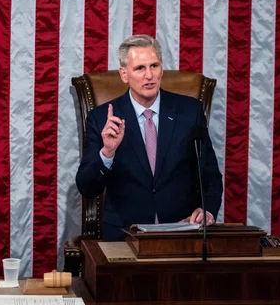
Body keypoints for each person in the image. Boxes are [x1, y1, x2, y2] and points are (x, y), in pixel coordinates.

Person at [75, 34, 223, 242]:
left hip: (182, 232)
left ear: (162, 69)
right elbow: (87, 187)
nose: (149, 75)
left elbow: (209, 175)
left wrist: (207, 210)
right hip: (124, 236)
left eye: (154, 66)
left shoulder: (189, 112)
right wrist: (107, 152)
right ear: (124, 74)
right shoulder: (102, 119)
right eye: (139, 68)